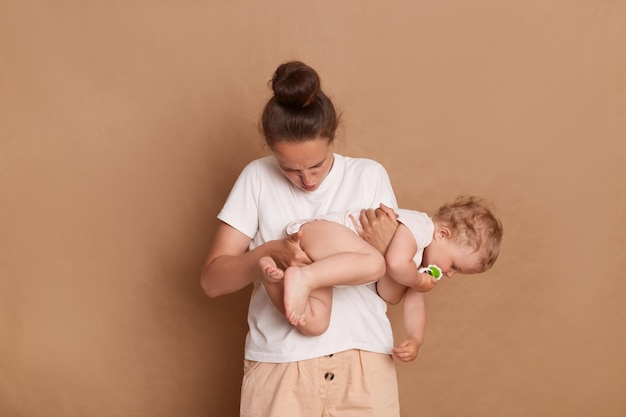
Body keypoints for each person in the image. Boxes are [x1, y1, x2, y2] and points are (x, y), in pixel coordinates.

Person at [201, 61, 402, 417]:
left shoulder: (369, 176)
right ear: (271, 151)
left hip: (364, 362)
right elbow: (212, 282)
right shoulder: (256, 178)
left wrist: (389, 253)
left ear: (332, 139)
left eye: (317, 165)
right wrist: (269, 254)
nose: (307, 180)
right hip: (280, 366)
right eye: (290, 169)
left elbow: (391, 292)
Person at [259, 196, 503, 362]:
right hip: (320, 234)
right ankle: (303, 277)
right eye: (454, 266)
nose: (449, 274)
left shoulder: (419, 266)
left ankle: (275, 281)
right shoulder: (419, 227)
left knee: (315, 323)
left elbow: (398, 297)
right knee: (374, 264)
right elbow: (395, 264)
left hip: (320, 264)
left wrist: (415, 339)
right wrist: (416, 281)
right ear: (441, 234)